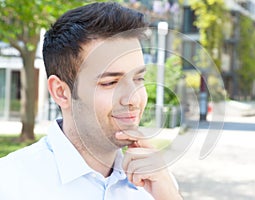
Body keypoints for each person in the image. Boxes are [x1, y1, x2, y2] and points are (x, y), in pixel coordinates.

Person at [0, 2, 182, 200]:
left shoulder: (157, 184)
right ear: (61, 92)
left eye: (138, 79)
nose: (133, 98)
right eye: (110, 82)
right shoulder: (10, 184)